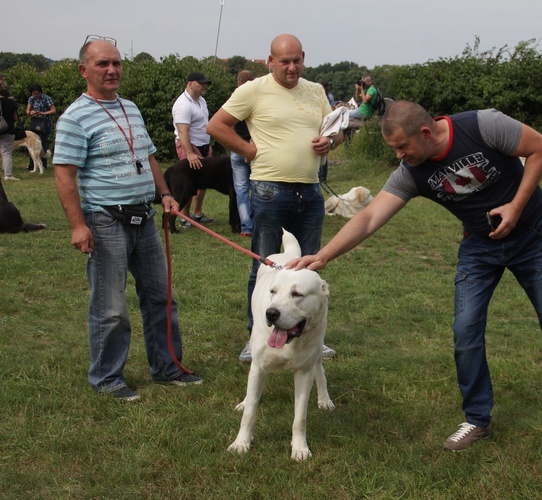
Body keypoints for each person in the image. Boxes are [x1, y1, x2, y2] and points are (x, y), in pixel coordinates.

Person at [290, 100, 542, 455]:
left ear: (426, 132)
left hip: (532, 236)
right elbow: (370, 218)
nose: (400, 156)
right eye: (394, 150)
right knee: (465, 331)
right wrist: (323, 255)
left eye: (403, 147)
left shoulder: (484, 125)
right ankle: (477, 418)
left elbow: (540, 148)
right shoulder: (411, 172)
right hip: (479, 246)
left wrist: (516, 205)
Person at [53, 39, 202, 402]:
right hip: (105, 221)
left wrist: (165, 194)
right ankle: (106, 377)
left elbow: (149, 157)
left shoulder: (131, 108)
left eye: (117, 63)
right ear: (83, 70)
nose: (112, 70)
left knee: (161, 298)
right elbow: (63, 175)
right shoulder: (74, 117)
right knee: (111, 308)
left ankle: (168, 367)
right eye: (103, 63)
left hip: (145, 218)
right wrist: (78, 225)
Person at [206, 33, 343, 363]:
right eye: (284, 61)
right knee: (266, 267)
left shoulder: (315, 91)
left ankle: (309, 338)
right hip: (269, 190)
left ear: (304, 58)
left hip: (309, 190)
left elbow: (333, 131)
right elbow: (217, 125)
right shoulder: (253, 89)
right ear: (270, 61)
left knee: (307, 269)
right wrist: (249, 150)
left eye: (297, 60)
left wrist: (330, 144)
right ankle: (256, 337)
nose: (292, 67)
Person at [172, 71, 214, 227]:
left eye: (205, 83)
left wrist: (207, 144)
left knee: (203, 181)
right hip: (190, 145)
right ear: (190, 83)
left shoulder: (201, 101)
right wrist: (189, 153)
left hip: (203, 145)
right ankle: (185, 216)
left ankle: (197, 213)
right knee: (189, 181)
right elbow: (183, 131)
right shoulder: (182, 104)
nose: (204, 86)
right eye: (201, 83)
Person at [231, 70, 255, 237]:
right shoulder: (257, 98)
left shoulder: (233, 100)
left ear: (238, 83)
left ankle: (245, 227)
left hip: (236, 148)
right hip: (254, 149)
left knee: (241, 190)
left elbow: (228, 126)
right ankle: (256, 223)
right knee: (257, 189)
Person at [26, 84, 56, 171]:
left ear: (40, 92)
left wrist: (43, 113)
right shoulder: (31, 99)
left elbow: (53, 110)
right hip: (35, 122)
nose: (35, 95)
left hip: (44, 122)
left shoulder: (46, 98)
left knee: (42, 142)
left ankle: (43, 164)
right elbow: (27, 110)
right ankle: (32, 164)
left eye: (37, 94)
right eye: (34, 94)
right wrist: (30, 112)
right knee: (31, 144)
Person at [0, 87, 19, 181]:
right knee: (6, 152)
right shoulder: (11, 103)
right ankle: (8, 174)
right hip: (8, 130)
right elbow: (15, 117)